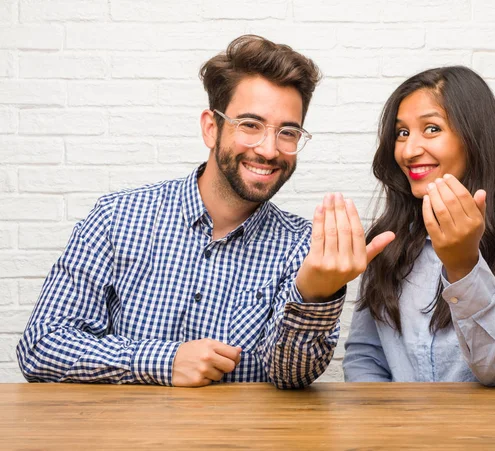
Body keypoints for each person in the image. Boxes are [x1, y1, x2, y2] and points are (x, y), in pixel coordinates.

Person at [16, 35, 394, 389]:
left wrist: (315, 293)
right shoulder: (117, 218)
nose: (268, 149)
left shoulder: (301, 245)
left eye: (288, 132)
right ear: (211, 128)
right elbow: (40, 348)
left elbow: (289, 377)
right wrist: (161, 360)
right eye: (250, 125)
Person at [343, 66, 495, 386]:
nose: (408, 150)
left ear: (475, 138)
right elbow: (366, 356)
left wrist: (464, 266)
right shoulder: (387, 239)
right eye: (402, 133)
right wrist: (387, 426)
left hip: (491, 433)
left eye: (431, 129)